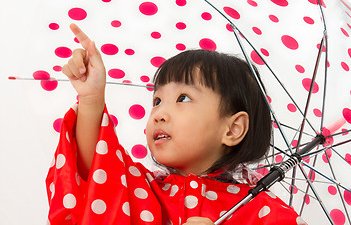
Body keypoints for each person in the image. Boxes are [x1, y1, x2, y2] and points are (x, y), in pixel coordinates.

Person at [46, 24, 306, 225]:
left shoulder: (264, 213)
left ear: (232, 128)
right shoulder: (142, 188)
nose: (159, 114)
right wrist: (92, 97)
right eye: (157, 100)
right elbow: (96, 169)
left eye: (183, 98)